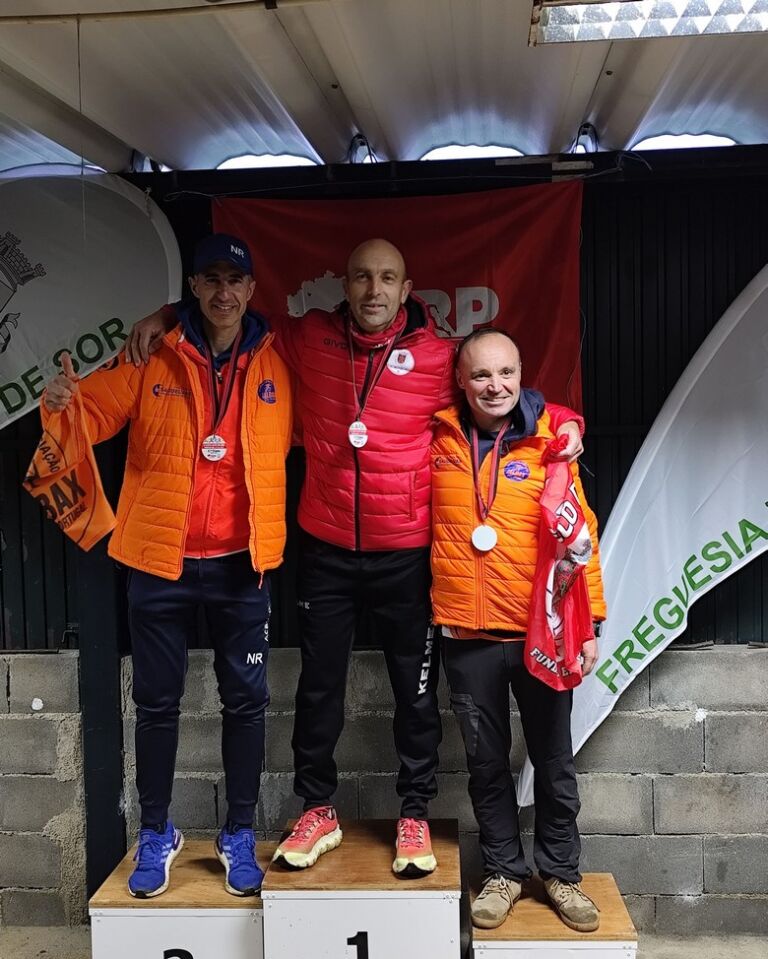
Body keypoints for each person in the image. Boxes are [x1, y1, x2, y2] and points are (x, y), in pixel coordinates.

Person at [125, 238, 583, 878]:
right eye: (363, 277)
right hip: (327, 549)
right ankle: (317, 808)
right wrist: (170, 313)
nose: (374, 290)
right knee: (318, 688)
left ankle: (414, 812)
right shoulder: (306, 338)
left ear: (406, 288)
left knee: (414, 693)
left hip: (408, 553)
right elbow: (228, 316)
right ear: (345, 285)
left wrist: (563, 419)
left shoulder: (441, 356)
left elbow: (501, 395)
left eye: (387, 278)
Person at [40, 234, 292, 898]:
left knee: (247, 704)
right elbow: (91, 413)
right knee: (156, 704)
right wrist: (63, 402)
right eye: (211, 279)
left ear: (252, 290)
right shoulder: (151, 354)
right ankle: (157, 831)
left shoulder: (278, 359)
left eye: (235, 280)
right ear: (193, 288)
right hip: (159, 562)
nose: (223, 292)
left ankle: (239, 832)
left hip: (242, 564)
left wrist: (163, 312)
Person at [429, 327, 606, 931]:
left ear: (522, 374)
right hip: (467, 635)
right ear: (461, 380)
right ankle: (503, 872)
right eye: (481, 374)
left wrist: (591, 622)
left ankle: (561, 873)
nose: (495, 385)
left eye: (506, 372)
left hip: (543, 634)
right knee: (485, 766)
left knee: (553, 763)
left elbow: (581, 536)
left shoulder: (551, 444)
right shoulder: (437, 440)